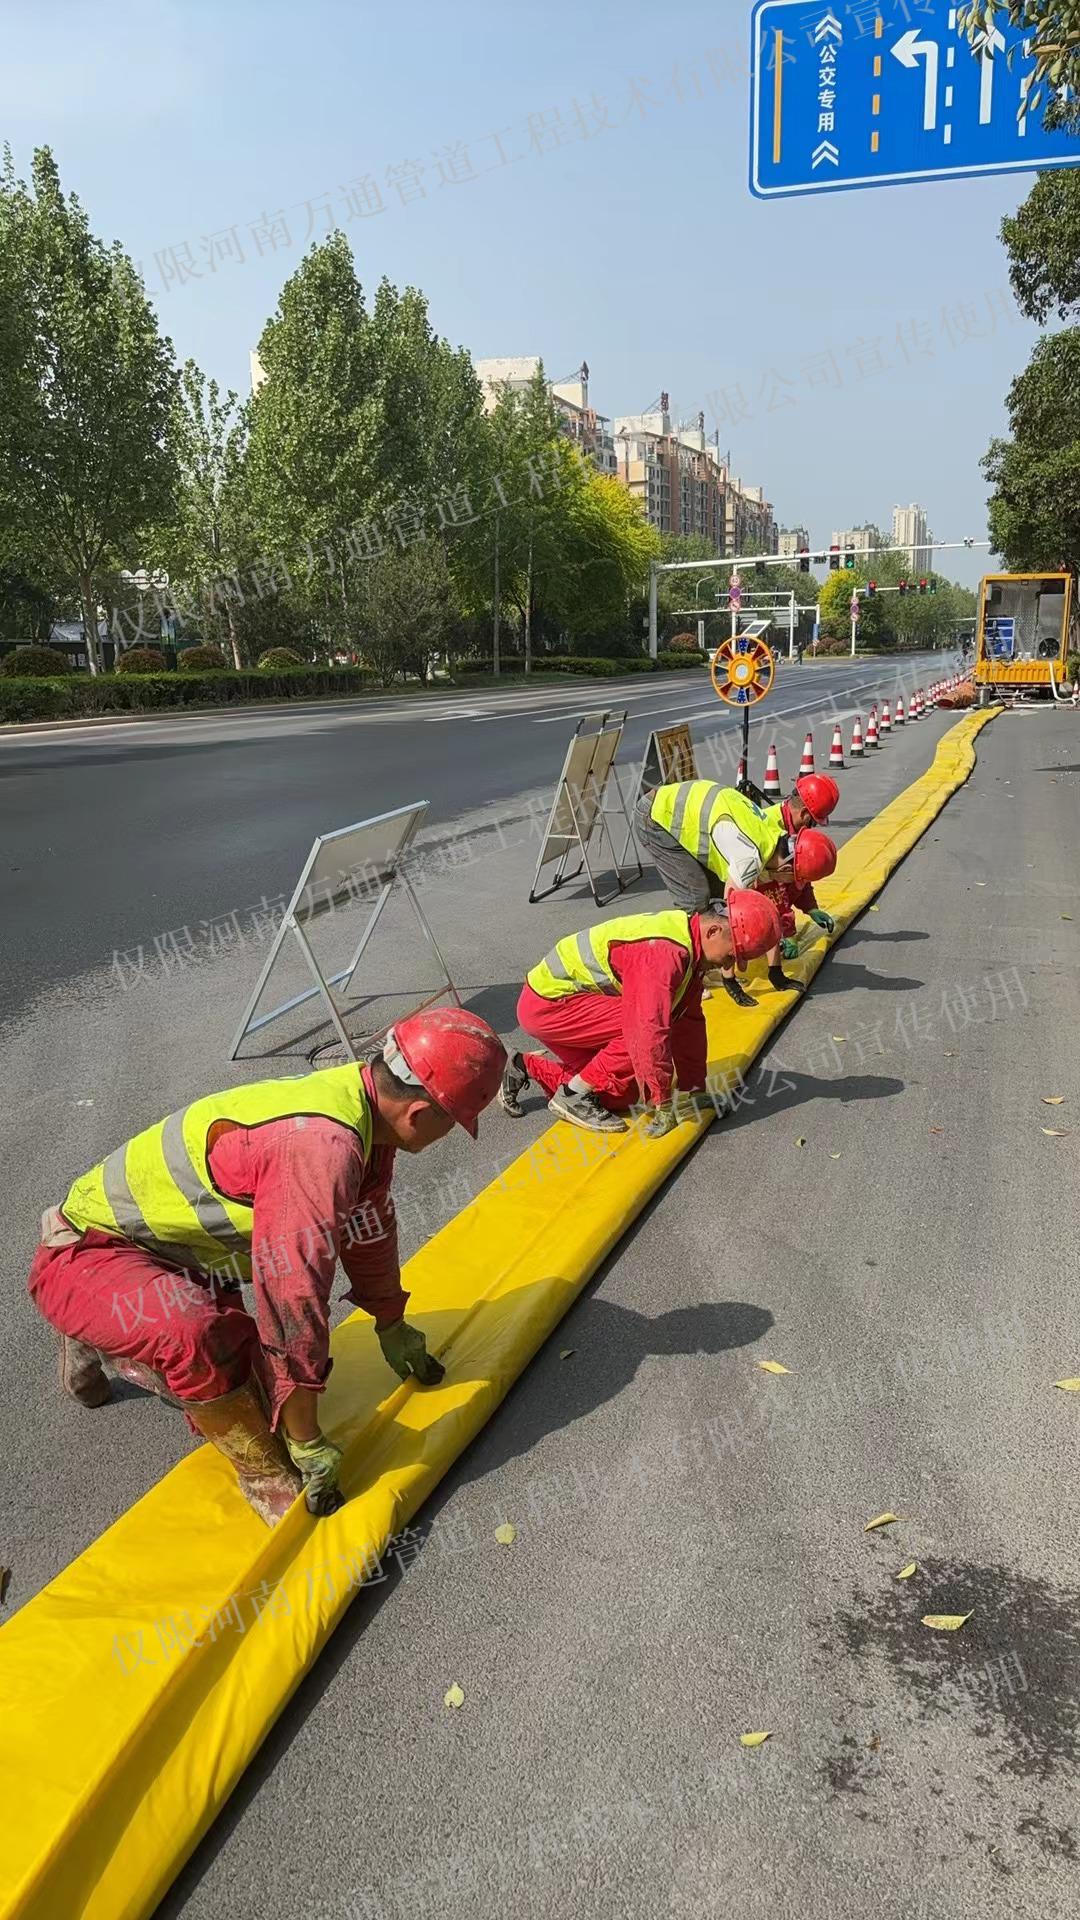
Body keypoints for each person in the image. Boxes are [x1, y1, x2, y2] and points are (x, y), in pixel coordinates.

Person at [28, 1008, 506, 1527]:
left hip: (180, 1260)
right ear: (418, 1114)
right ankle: (258, 1472)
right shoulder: (322, 1148)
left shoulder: (363, 1108)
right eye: (454, 1122)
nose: (450, 1133)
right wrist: (304, 1441)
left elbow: (367, 1228)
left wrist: (391, 1320)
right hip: (86, 1254)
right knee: (202, 1341)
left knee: (249, 1369)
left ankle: (108, 1329)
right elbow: (293, 1299)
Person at [499, 892, 781, 1139]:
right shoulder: (664, 955)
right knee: (637, 1032)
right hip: (549, 1004)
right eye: (732, 956)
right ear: (713, 932)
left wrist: (694, 1089)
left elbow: (689, 1022)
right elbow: (645, 1030)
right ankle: (572, 1096)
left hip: (570, 1006)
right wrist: (663, 1102)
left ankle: (523, 1066)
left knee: (624, 1094)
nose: (732, 966)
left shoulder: (692, 952)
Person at [634, 779, 790, 1009]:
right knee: (695, 899)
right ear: (787, 868)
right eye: (790, 879)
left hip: (677, 812)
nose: (786, 884)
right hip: (655, 818)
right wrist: (732, 977)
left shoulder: (774, 830)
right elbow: (732, 919)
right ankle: (687, 978)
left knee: (715, 893)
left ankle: (709, 963)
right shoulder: (750, 858)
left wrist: (772, 969)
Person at [753, 827, 838, 997]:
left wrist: (811, 908)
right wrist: (789, 935)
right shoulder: (768, 867)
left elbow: (799, 887)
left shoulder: (791, 855)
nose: (802, 882)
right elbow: (777, 910)